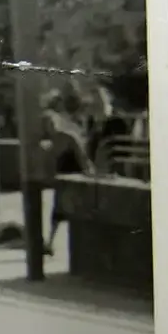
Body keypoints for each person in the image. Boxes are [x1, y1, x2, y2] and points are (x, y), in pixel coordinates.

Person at [44, 95, 95, 256]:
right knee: (57, 212)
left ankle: (82, 248)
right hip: (62, 180)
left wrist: (89, 174)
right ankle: (50, 244)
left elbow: (82, 156)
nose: (50, 127)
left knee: (78, 212)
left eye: (52, 123)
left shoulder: (68, 137)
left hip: (76, 177)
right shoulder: (50, 142)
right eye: (47, 124)